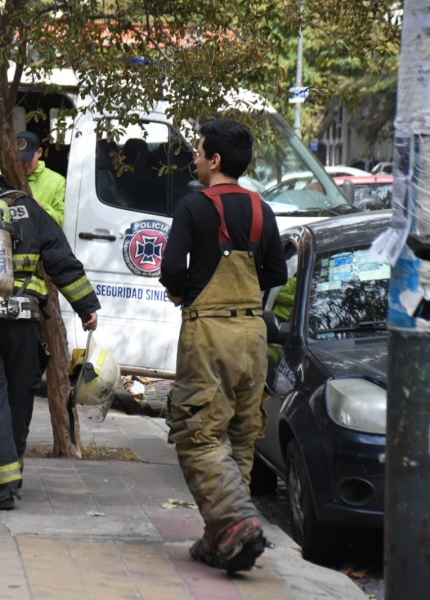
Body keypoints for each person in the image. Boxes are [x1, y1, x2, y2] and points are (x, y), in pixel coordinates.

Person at [159, 118, 286, 574]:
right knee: (239, 435)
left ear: (214, 160)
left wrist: (183, 292)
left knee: (197, 432)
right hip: (253, 334)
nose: (194, 157)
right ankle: (219, 541)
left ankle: (235, 522)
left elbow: (172, 266)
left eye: (198, 151)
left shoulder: (194, 206)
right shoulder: (261, 209)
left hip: (208, 332)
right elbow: (277, 274)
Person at [0, 156, 100, 510]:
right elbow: (60, 257)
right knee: (19, 400)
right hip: (25, 323)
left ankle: (0, 484)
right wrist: (86, 305)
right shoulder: (28, 207)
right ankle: (12, 478)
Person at [17, 131, 66, 227]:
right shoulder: (7, 177)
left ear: (39, 152)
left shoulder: (57, 181)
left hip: (41, 239)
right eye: (20, 159)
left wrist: (41, 207)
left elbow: (61, 221)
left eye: (28, 159)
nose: (24, 164)